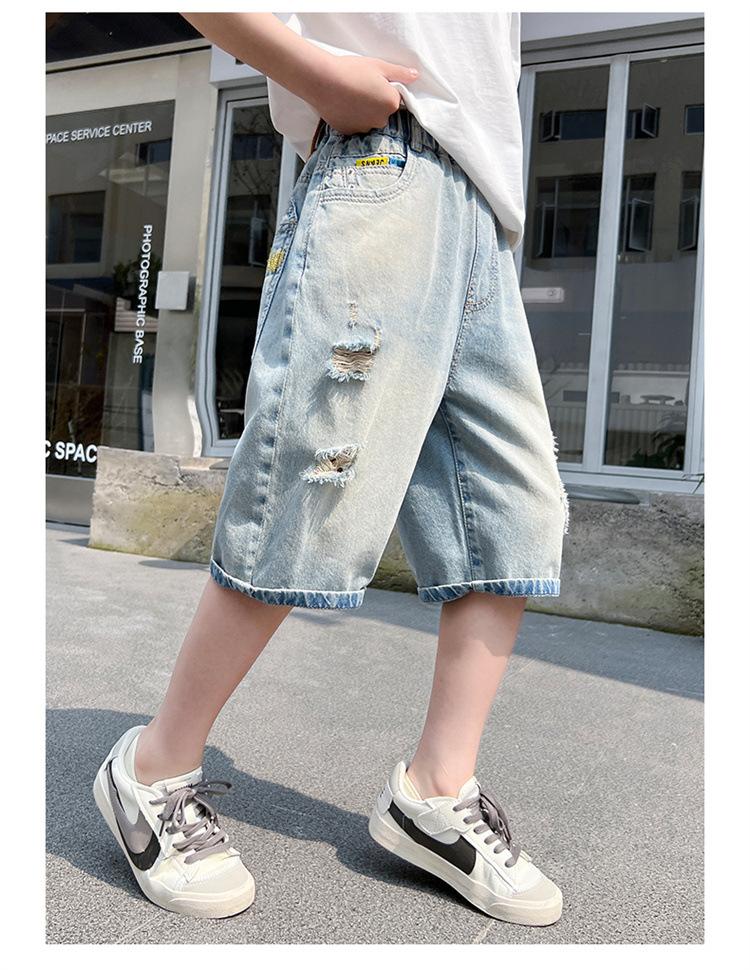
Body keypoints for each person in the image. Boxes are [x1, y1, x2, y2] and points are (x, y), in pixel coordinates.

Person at [92, 12, 569, 926]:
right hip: (379, 166)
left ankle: (436, 791)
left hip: (484, 213)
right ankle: (152, 768)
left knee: (513, 513)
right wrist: (315, 73)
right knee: (312, 488)